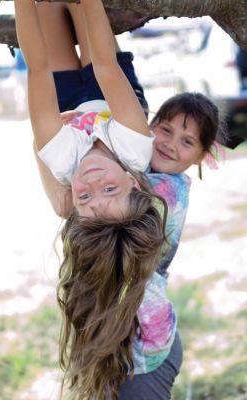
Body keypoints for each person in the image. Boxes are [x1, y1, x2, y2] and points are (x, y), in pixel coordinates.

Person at [22, 2, 227, 399]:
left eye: (88, 197)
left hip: (73, 115)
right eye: (166, 132)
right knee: (81, 15)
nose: (95, 185)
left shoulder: (81, 171)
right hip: (113, 106)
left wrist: (47, 149)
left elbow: (67, 198)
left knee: (49, 12)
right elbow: (104, 64)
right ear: (136, 184)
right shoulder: (150, 170)